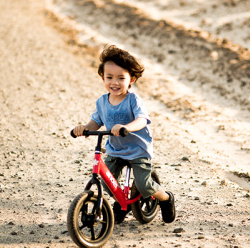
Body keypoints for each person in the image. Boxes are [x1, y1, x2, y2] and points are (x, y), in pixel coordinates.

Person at [72, 45, 176, 223]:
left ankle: (166, 198)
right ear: (102, 77)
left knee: (144, 186)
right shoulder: (102, 102)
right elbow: (96, 122)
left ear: (131, 80)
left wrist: (126, 126)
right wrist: (84, 128)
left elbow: (142, 120)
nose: (115, 82)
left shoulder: (133, 100)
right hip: (115, 150)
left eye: (121, 78)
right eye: (109, 77)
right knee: (107, 181)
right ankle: (123, 203)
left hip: (137, 150)